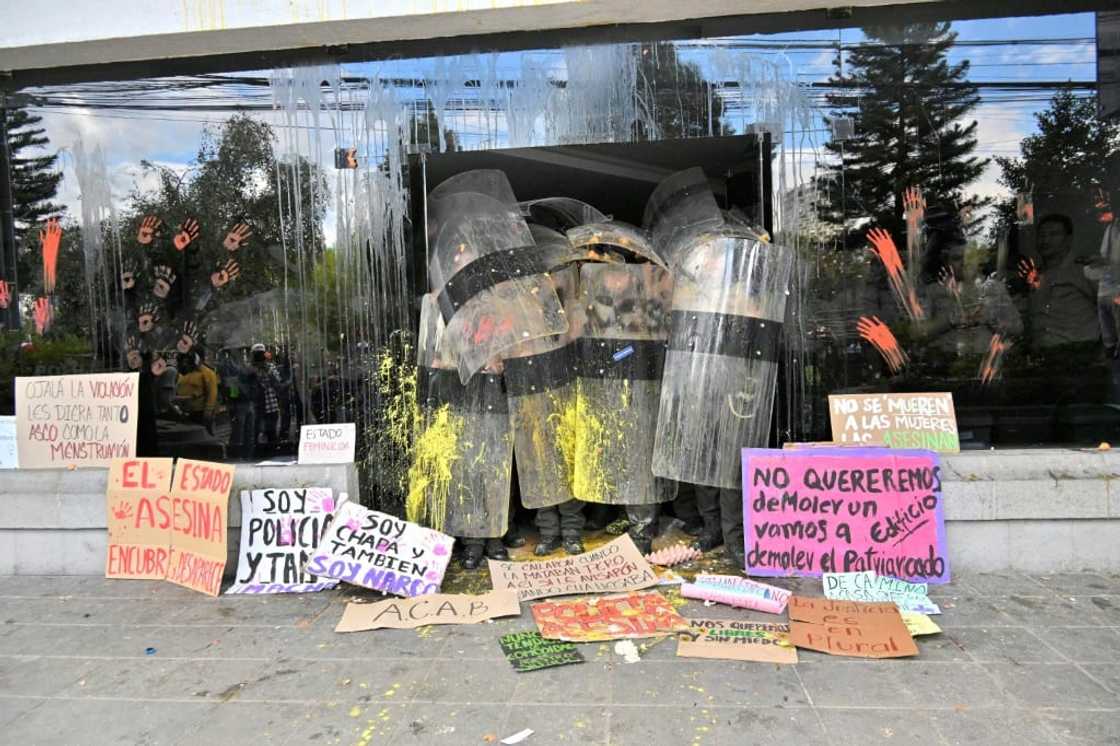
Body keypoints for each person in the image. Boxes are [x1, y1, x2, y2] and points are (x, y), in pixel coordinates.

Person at [1023, 213, 1098, 355]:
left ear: (1068, 239)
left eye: (1053, 234)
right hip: (1042, 358)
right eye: (1042, 235)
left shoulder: (1085, 270)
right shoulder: (1034, 276)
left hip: (1081, 356)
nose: (1046, 240)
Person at [251, 342, 284, 456]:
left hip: (271, 406)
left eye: (261, 354)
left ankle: (273, 454)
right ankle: (257, 455)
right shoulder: (249, 369)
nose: (259, 356)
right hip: (256, 408)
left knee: (271, 433)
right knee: (255, 433)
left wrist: (268, 372)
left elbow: (278, 385)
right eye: (257, 354)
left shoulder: (270, 367)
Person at [175, 350, 219, 433]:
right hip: (186, 412)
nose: (185, 364)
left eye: (187, 361)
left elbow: (212, 393)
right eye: (183, 361)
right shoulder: (184, 373)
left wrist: (208, 411)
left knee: (205, 435)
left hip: (200, 412)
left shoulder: (208, 373)